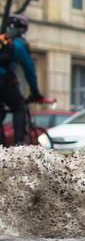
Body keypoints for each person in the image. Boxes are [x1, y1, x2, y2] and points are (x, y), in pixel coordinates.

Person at [1, 14, 45, 147]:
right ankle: (18, 144)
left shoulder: (2, 40)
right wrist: (35, 91)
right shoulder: (18, 44)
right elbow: (29, 70)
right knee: (19, 106)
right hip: (4, 82)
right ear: (22, 30)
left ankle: (1, 147)